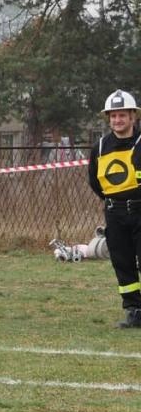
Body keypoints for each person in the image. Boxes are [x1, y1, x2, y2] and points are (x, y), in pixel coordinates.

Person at [87, 89, 141, 328]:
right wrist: (115, 202)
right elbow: (95, 181)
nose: (117, 120)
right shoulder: (99, 148)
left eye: (122, 115)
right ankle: (134, 311)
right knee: (123, 263)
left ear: (133, 117)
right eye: (113, 116)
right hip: (115, 214)